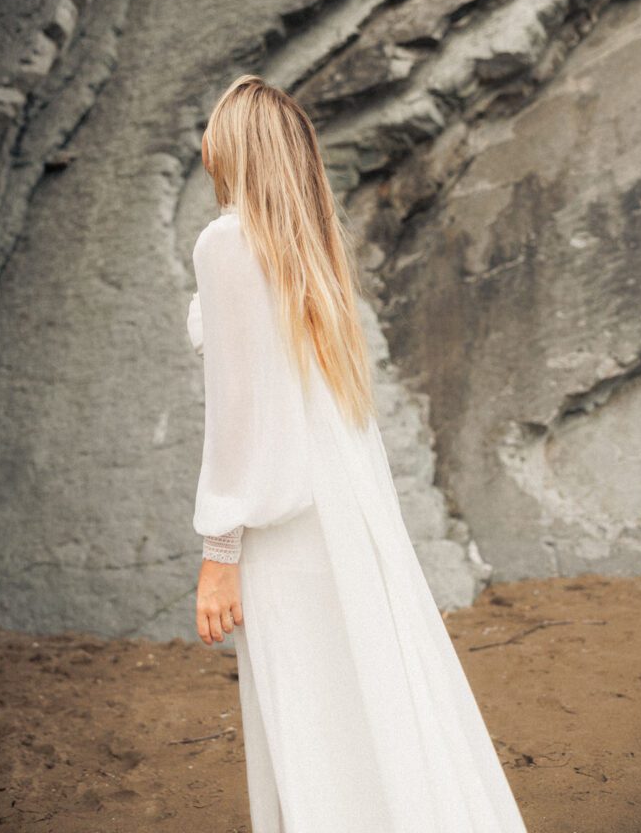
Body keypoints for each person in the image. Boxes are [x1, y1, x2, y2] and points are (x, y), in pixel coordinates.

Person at [185, 74, 529, 832]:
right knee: (372, 693)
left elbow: (240, 410)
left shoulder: (227, 242)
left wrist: (220, 548)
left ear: (231, 144)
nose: (201, 138)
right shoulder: (305, 252)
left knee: (311, 707)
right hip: (344, 508)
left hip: (287, 523)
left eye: (212, 125)